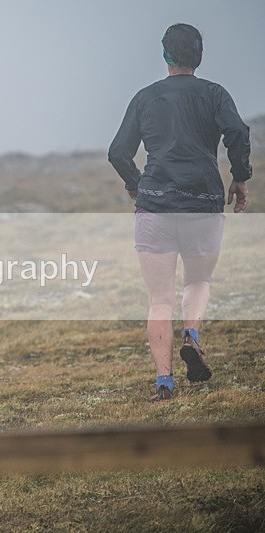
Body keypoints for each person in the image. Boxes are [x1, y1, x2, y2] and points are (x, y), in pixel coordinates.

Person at [108, 23, 252, 402]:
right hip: (203, 202)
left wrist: (135, 184)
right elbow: (237, 131)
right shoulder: (215, 94)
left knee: (159, 299)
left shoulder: (145, 98)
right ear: (198, 55)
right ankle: (192, 334)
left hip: (155, 205)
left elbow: (117, 152)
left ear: (165, 55)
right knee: (197, 282)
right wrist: (240, 176)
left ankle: (163, 382)